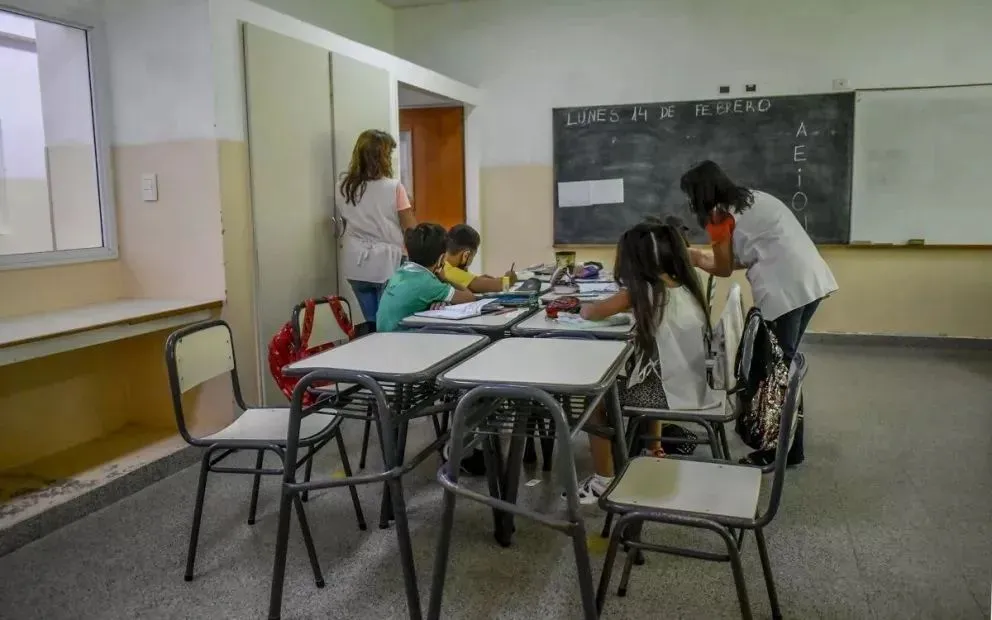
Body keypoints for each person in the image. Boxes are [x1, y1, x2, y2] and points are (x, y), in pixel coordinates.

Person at [681, 160, 837, 465]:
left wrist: (693, 257)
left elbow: (724, 268)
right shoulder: (752, 199)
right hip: (810, 281)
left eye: (690, 196)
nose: (690, 204)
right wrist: (703, 255)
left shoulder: (718, 215)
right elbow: (745, 255)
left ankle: (778, 452)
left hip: (784, 290)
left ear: (700, 194)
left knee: (774, 371)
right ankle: (790, 448)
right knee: (783, 365)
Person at [572, 221, 715, 503]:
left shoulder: (640, 292)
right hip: (688, 382)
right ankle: (654, 448)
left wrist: (580, 305)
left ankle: (602, 480)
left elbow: (593, 313)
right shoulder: (682, 286)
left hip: (667, 393)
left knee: (594, 401)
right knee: (648, 372)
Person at [338, 129, 418, 333]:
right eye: (389, 154)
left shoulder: (343, 186)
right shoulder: (393, 187)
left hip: (356, 263)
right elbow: (411, 229)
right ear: (381, 157)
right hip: (387, 263)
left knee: (370, 323)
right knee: (389, 325)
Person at [376, 223, 475, 333]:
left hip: (384, 337)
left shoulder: (401, 271)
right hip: (402, 339)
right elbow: (469, 298)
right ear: (441, 258)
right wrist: (445, 279)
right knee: (468, 332)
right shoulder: (428, 283)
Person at [443, 224, 518, 294]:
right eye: (473, 256)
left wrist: (478, 279)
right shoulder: (450, 271)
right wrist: (510, 278)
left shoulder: (444, 264)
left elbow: (468, 282)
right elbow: (500, 286)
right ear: (466, 255)